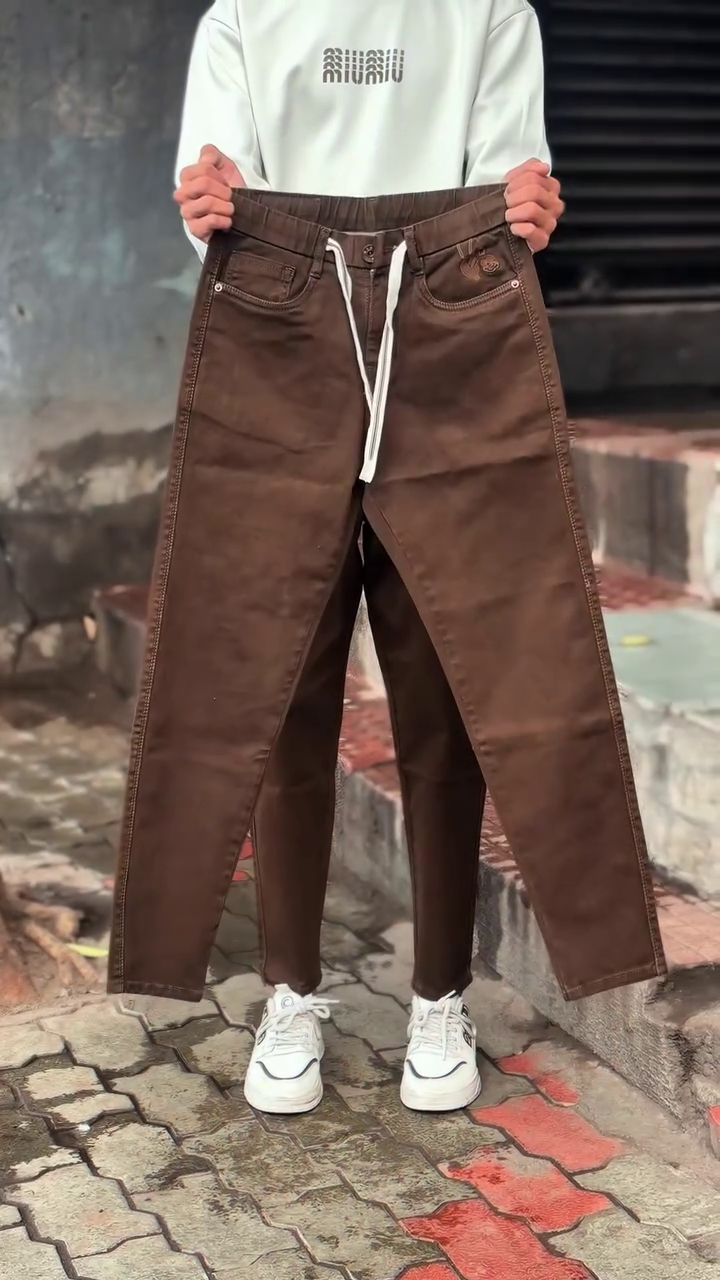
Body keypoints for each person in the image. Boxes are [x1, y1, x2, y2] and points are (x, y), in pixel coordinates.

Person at [108, 0, 666, 1117]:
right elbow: (212, 199)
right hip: (277, 326)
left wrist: (528, 209)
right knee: (275, 688)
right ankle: (290, 990)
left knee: (451, 688)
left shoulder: (490, 10)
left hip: (450, 325)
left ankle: (438, 993)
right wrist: (207, 202)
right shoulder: (244, 16)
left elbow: (513, 190)